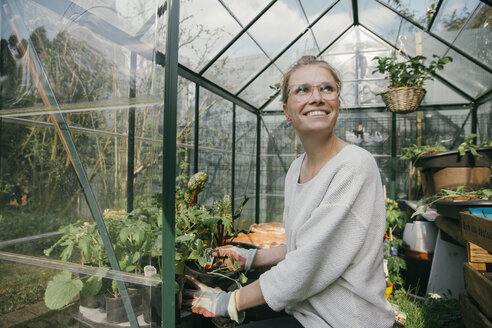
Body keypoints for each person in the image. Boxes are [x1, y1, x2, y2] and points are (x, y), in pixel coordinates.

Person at [183, 55, 395, 327]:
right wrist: (250, 257)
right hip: (305, 307)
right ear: (287, 111)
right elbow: (302, 245)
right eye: (303, 90)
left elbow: (309, 263)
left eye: (326, 88)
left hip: (341, 320)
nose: (316, 97)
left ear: (337, 104)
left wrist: (228, 302)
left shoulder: (354, 165)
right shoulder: (297, 169)